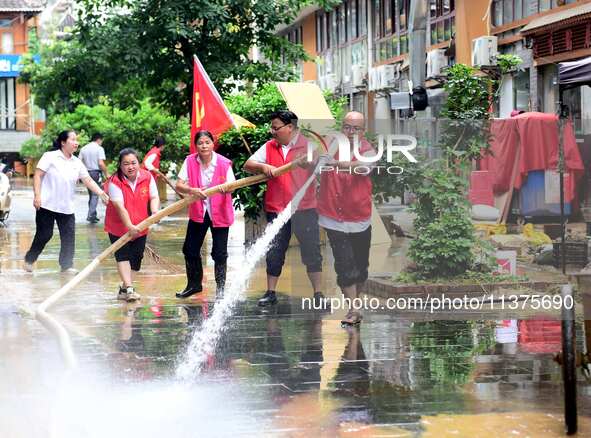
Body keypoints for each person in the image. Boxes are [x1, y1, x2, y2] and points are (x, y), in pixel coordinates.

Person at [243, 110, 324, 307]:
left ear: (290, 127)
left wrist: (310, 164)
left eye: (276, 127)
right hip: (277, 209)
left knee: (312, 251)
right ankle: (271, 292)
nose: (272, 131)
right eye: (272, 127)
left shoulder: (308, 146)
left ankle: (319, 294)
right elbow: (248, 165)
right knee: (275, 251)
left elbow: (321, 168)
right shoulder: (270, 146)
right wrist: (263, 168)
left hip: (304, 209)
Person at [318, 112, 375, 326]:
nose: (350, 132)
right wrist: (313, 160)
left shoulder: (368, 150)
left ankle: (355, 303)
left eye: (355, 128)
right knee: (344, 264)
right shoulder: (329, 145)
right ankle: (352, 308)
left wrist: (336, 163)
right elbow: (312, 162)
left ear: (363, 131)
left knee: (361, 267)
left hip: (359, 217)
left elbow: (363, 167)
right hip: (333, 217)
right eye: (347, 127)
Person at [24, 130, 109, 273]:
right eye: (73, 139)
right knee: (45, 234)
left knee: (68, 237)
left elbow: (87, 179)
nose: (76, 143)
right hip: (47, 204)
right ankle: (29, 259)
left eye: (77, 140)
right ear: (63, 142)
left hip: (67, 206)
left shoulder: (77, 162)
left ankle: (66, 266)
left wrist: (101, 193)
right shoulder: (50, 156)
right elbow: (38, 175)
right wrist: (37, 195)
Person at [175, 130, 235, 298]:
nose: (204, 146)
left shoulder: (224, 163)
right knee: (190, 249)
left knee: (219, 253)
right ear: (196, 146)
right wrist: (191, 189)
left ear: (213, 144)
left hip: (220, 212)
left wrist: (226, 187)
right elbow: (179, 185)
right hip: (199, 211)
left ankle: (221, 290)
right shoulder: (189, 161)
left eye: (207, 142)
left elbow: (233, 185)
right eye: (200, 143)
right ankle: (194, 285)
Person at [105, 148, 159, 302]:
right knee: (123, 256)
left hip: (141, 225)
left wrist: (155, 212)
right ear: (120, 166)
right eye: (126, 164)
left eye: (133, 163)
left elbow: (154, 196)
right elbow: (119, 207)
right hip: (118, 227)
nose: (130, 167)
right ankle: (129, 289)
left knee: (136, 259)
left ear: (139, 163)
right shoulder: (115, 181)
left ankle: (123, 288)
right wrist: (129, 226)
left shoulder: (147, 177)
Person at [79, 132, 109, 223]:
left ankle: (93, 214)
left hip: (86, 173)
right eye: (101, 141)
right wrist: (106, 173)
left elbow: (79, 161)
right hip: (96, 173)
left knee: (91, 194)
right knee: (96, 194)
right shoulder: (99, 148)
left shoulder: (84, 148)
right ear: (99, 139)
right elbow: (100, 163)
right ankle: (91, 215)